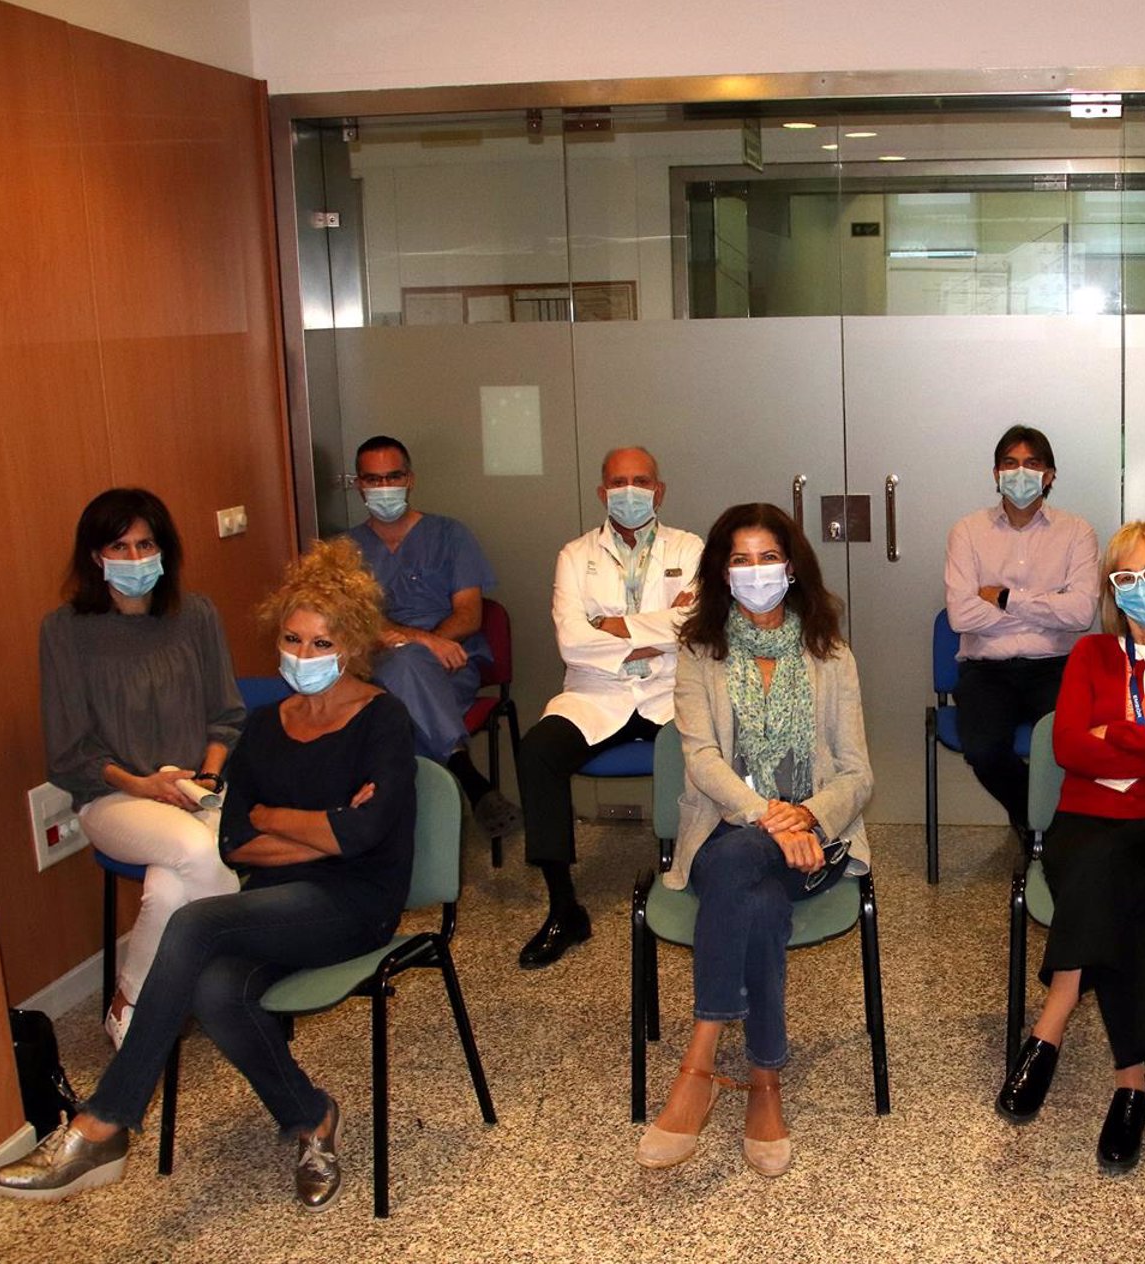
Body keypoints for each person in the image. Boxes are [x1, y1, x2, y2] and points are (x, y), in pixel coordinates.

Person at [0, 539, 417, 1211]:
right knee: (219, 992)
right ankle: (311, 1118)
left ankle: (104, 1121)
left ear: (354, 644)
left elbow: (367, 837)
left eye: (321, 644)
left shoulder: (382, 720)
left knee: (193, 922)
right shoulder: (264, 726)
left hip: (359, 906)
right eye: (293, 640)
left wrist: (301, 828)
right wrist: (323, 830)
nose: (303, 658)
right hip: (282, 905)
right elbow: (236, 841)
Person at [636, 503, 870, 1178]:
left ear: (792, 568)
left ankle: (699, 1067)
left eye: (769, 557)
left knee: (746, 871)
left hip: (813, 838)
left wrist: (809, 818)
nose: (757, 571)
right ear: (721, 571)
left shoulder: (831, 655)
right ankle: (764, 1086)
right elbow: (703, 760)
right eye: (741, 559)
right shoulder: (699, 652)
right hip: (728, 830)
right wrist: (771, 815)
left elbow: (857, 772)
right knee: (755, 892)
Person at [995, 520, 1145, 1175]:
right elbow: (1068, 745)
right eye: (1125, 577)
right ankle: (1132, 1081)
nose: (1140, 588)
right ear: (1111, 590)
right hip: (1086, 824)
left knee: (1107, 868)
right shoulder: (1091, 657)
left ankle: (1051, 1026)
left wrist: (1121, 731)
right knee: (1114, 886)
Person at [40, 489, 244, 1049]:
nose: (135, 560)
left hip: (196, 787)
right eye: (120, 546)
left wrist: (205, 776)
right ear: (95, 556)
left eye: (146, 544)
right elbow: (69, 750)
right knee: (199, 853)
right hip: (113, 796)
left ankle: (130, 1000)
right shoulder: (64, 631)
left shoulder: (195, 613)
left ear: (165, 549)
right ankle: (243, 973)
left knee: (166, 887)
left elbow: (227, 715)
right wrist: (142, 784)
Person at [515, 446, 703, 969]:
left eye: (641, 480)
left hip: (667, 692)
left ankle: (688, 878)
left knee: (709, 747)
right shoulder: (574, 555)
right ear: (602, 493)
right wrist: (657, 627)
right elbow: (572, 644)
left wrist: (613, 626)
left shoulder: (690, 549)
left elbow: (695, 626)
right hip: (595, 694)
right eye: (618, 482)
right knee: (537, 752)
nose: (629, 491)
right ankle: (563, 907)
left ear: (659, 490)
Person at [346, 434, 511, 834]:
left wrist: (431, 644)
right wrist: (421, 641)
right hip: (376, 668)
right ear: (358, 485)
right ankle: (465, 774)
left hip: (451, 666)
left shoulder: (450, 534)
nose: (384, 488)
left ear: (411, 478)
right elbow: (349, 624)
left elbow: (470, 614)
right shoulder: (344, 550)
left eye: (393, 477)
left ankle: (393, 831)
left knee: (389, 715)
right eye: (373, 479)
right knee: (400, 678)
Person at [944, 425, 1099, 843]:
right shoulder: (967, 532)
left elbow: (1082, 612)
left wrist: (1005, 599)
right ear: (995, 473)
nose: (1020, 473)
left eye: (1032, 464)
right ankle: (1036, 815)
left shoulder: (1077, 532)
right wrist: (1048, 607)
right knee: (982, 749)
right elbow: (960, 615)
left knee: (1075, 747)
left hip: (1056, 667)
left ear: (1049, 474)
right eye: (1010, 464)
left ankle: (1053, 823)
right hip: (986, 670)